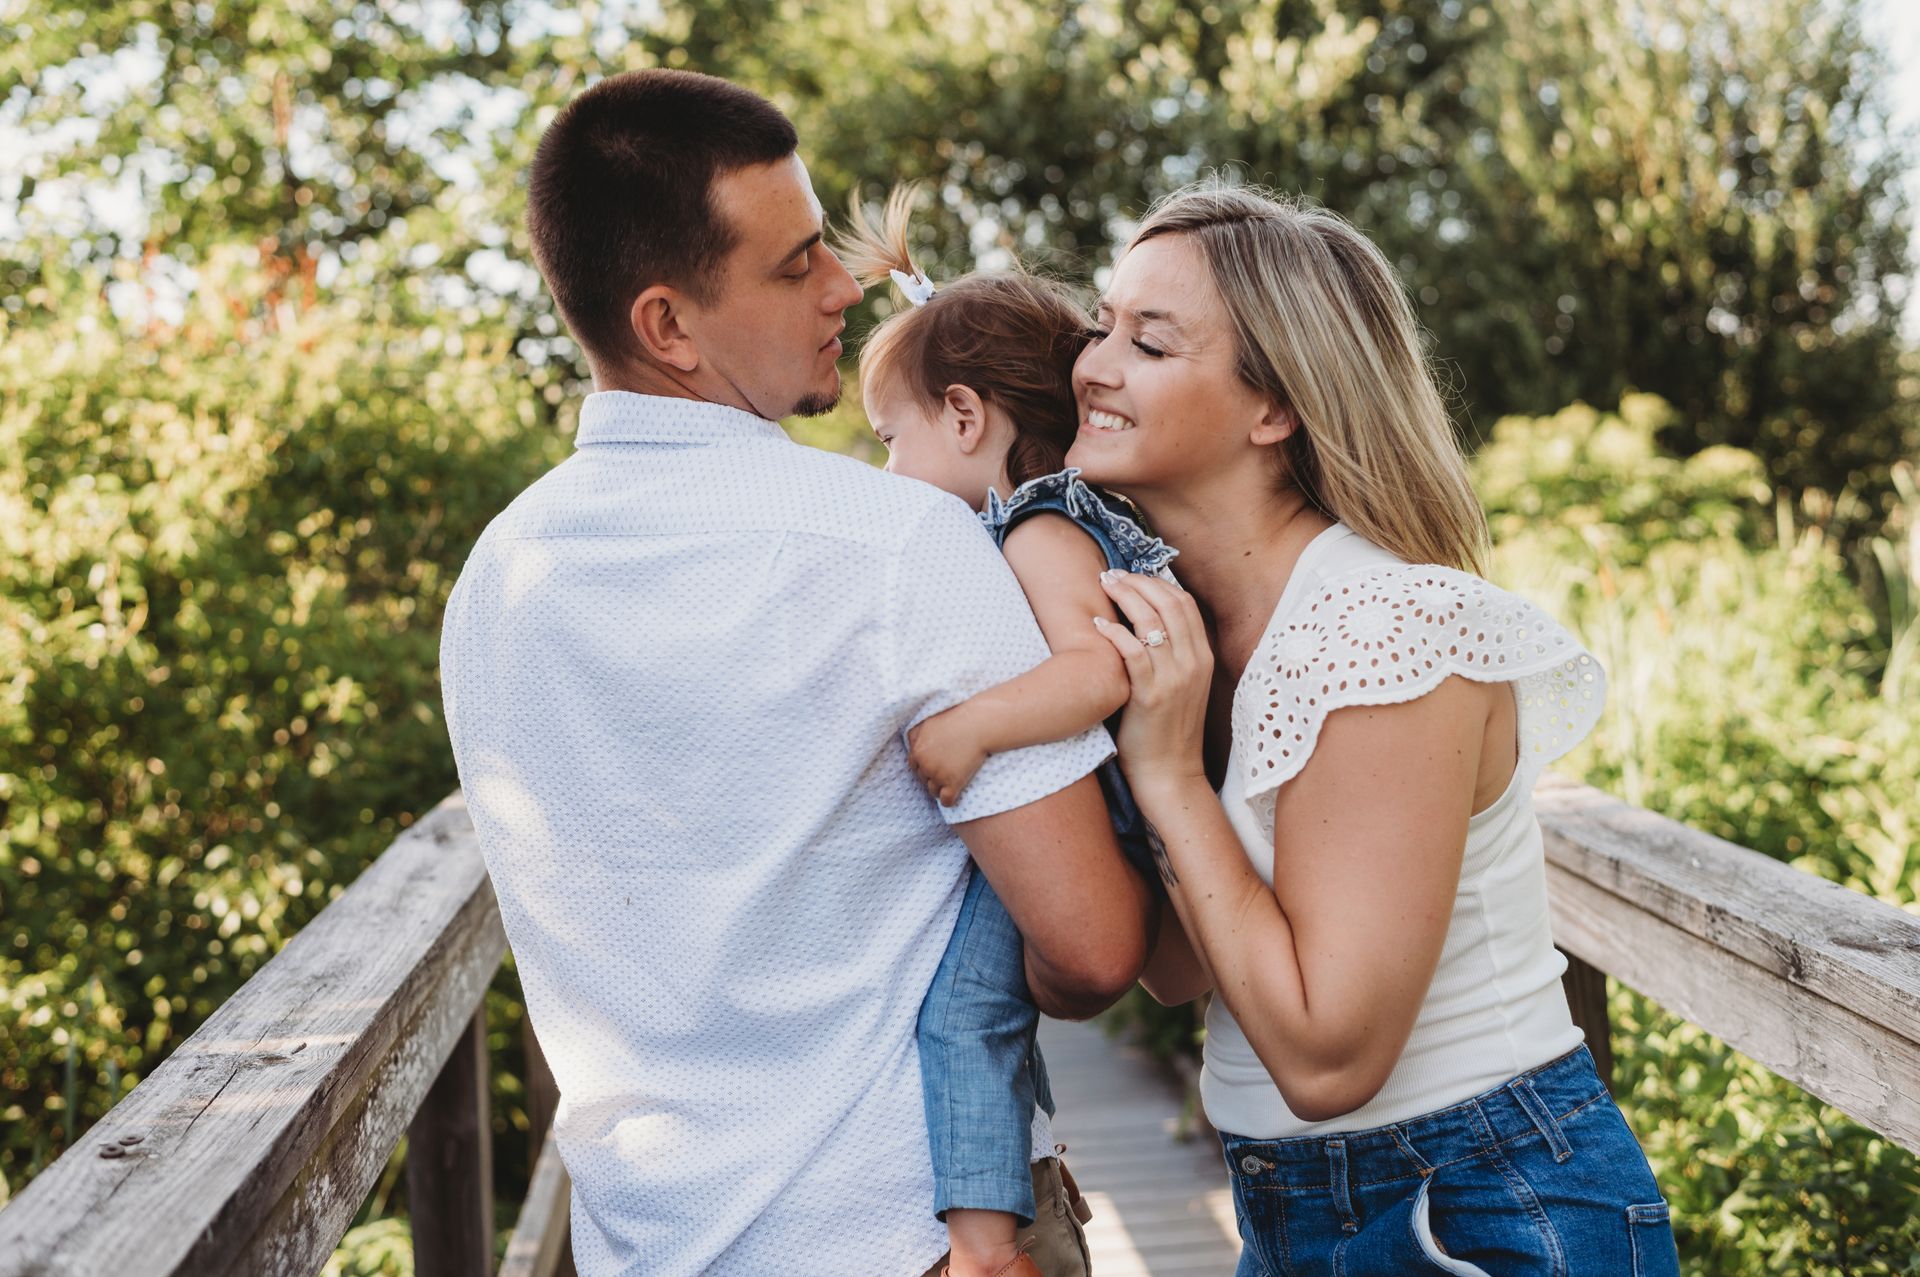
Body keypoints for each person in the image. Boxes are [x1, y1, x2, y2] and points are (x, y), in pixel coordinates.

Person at [436, 70, 1153, 1277]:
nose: (843, 288)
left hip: (649, 1248)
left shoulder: (497, 584)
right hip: (920, 1235)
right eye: (795, 264)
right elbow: (1089, 946)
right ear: (668, 325)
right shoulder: (894, 544)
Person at [1073, 184, 1682, 1276]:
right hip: (1294, 1205)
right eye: (1101, 324)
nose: (1093, 364)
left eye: (1149, 343)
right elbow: (1174, 968)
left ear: (1275, 408)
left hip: (1476, 1209)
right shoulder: (1196, 633)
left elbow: (1328, 1058)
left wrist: (1167, 774)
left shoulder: (1387, 627)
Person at [834, 186, 1175, 1277]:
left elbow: (1098, 666)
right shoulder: (1058, 516)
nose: (886, 472)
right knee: (976, 1004)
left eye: (893, 439)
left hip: (1114, 805)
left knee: (962, 1012)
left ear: (969, 417)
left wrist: (976, 725)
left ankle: (983, 1246)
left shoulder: (1035, 523)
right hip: (1118, 803)